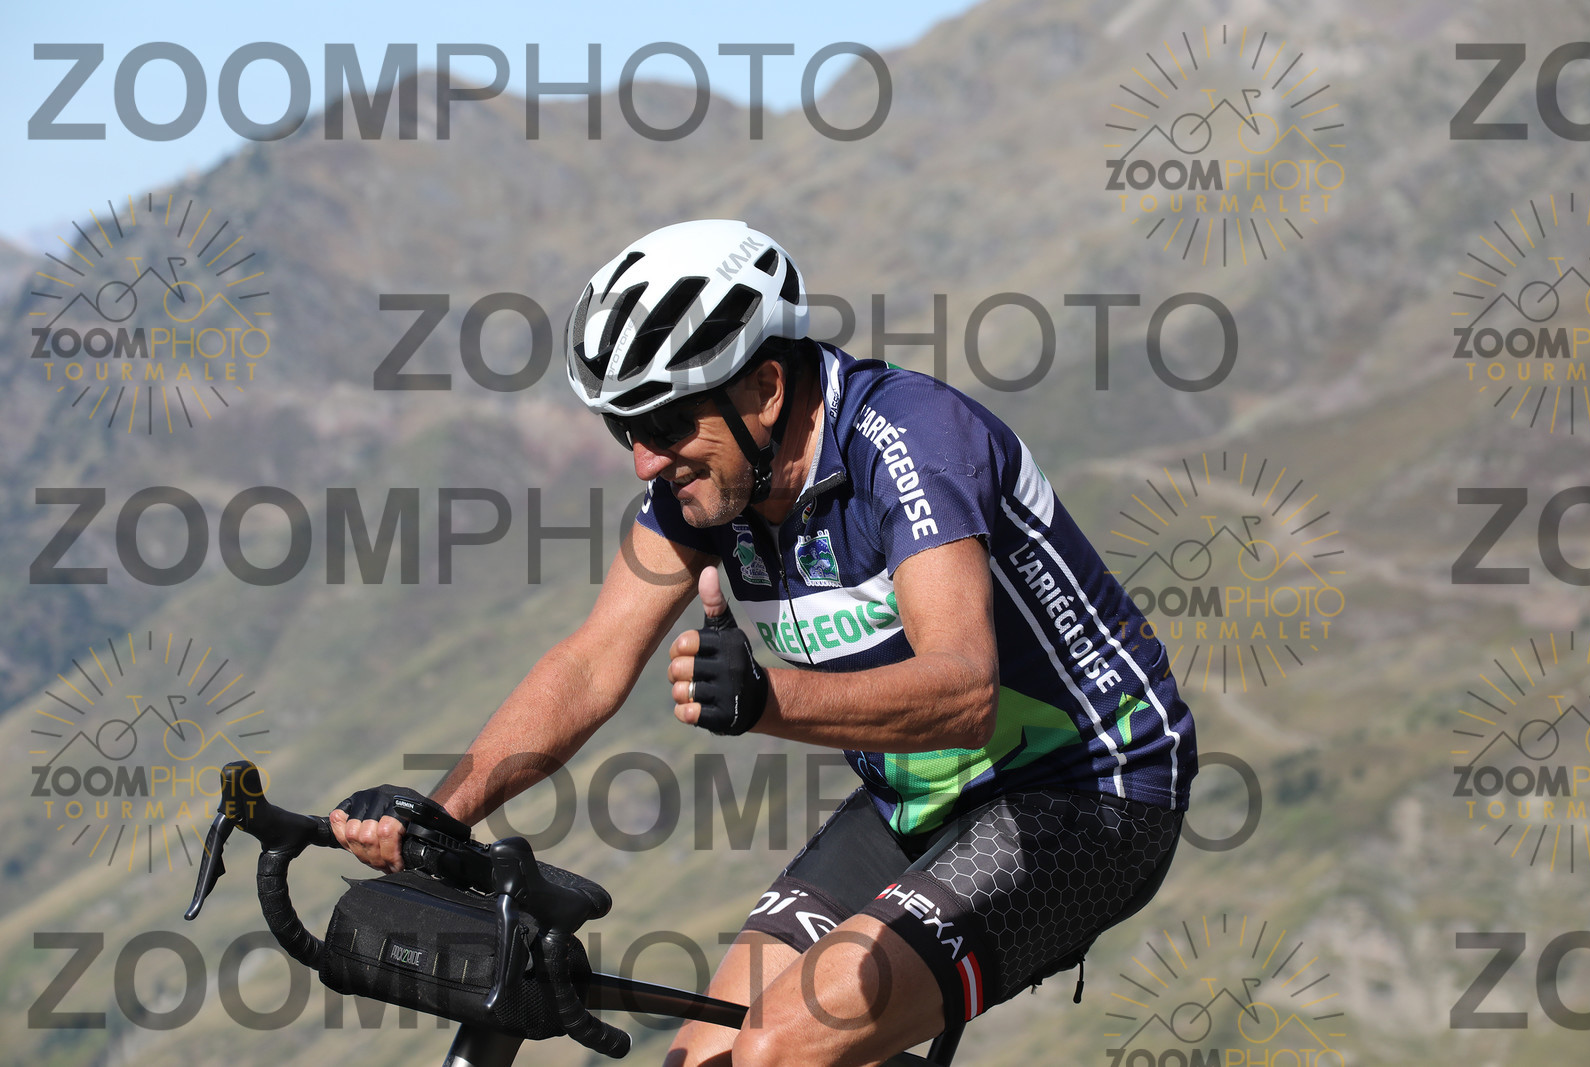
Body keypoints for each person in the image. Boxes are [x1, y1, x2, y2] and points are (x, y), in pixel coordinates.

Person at [331, 219, 1198, 1066]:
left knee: (781, 1044)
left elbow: (966, 691)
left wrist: (762, 699)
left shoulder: (910, 442)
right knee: (703, 1054)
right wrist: (443, 812)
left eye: (666, 424)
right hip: (915, 799)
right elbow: (592, 661)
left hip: (1087, 793)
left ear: (766, 388)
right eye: (625, 430)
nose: (644, 462)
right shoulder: (707, 488)